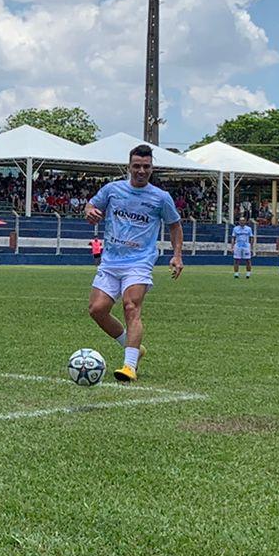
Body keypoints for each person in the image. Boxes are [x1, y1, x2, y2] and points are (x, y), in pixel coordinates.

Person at [84, 144, 184, 383]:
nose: (141, 170)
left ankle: (129, 367)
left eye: (146, 167)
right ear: (129, 167)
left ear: (152, 168)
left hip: (139, 262)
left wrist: (177, 255)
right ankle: (134, 348)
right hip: (110, 261)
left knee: (131, 306)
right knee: (97, 310)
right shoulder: (112, 189)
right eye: (137, 166)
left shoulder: (161, 198)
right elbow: (91, 206)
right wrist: (89, 212)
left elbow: (175, 226)